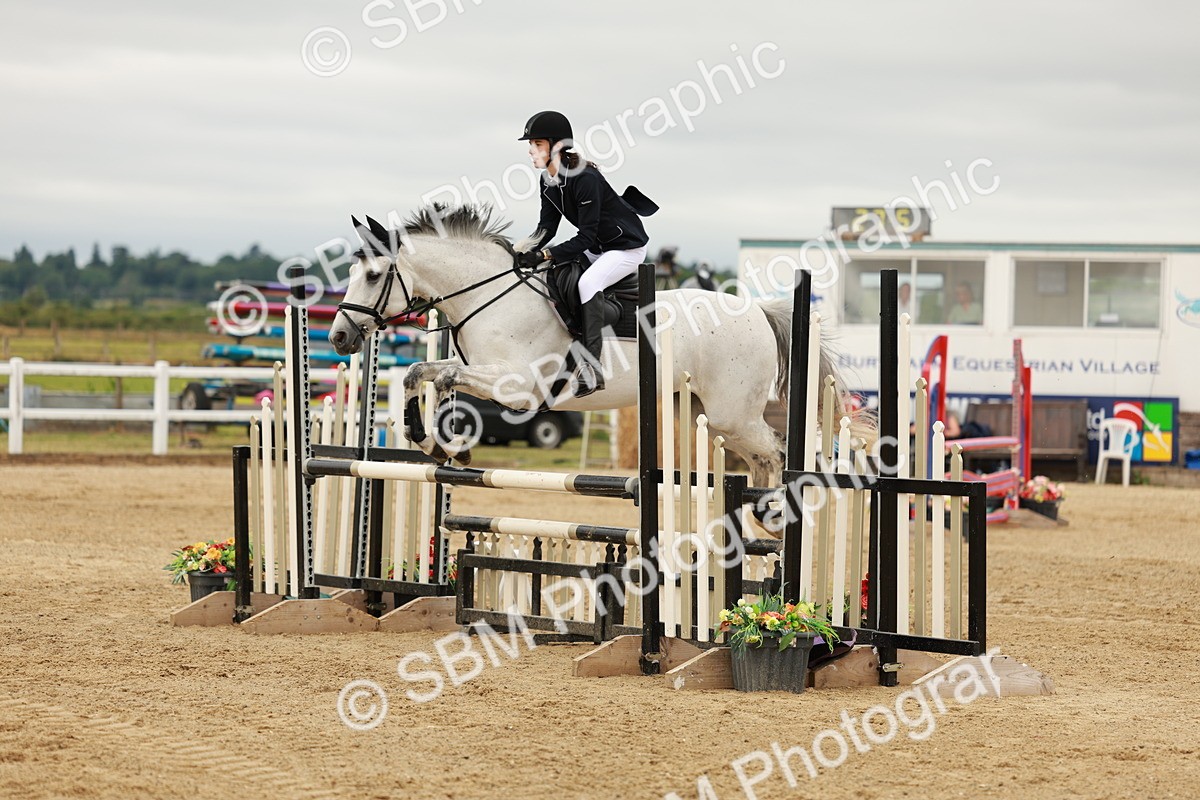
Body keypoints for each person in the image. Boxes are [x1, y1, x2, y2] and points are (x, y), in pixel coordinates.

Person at [513, 110, 654, 397]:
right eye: (531, 145)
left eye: (537, 144)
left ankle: (591, 369)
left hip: (625, 247)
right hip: (597, 247)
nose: (531, 150)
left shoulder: (584, 178)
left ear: (556, 146)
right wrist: (523, 251)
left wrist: (547, 255)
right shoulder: (547, 180)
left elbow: (586, 235)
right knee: (552, 277)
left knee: (587, 284)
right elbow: (546, 228)